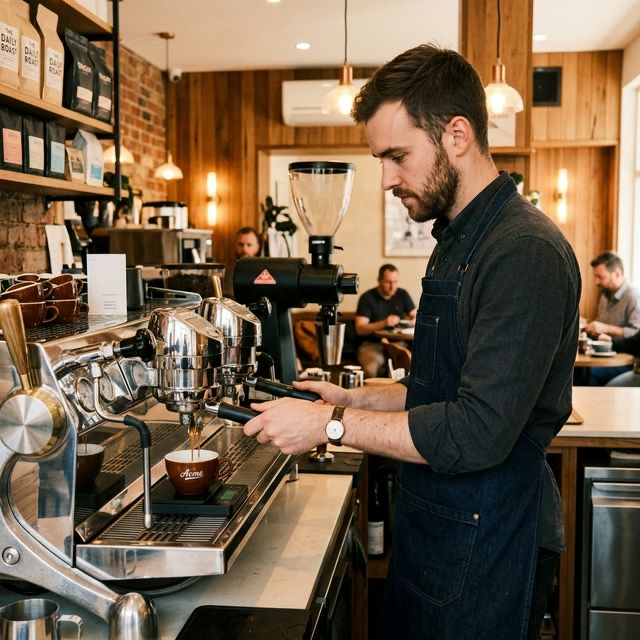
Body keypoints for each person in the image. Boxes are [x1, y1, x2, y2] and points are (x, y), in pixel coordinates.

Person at [242, 44, 580, 640]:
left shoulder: (522, 252)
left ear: (456, 135)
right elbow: (438, 389)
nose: (386, 179)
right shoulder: (459, 237)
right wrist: (349, 400)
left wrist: (329, 428)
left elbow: (476, 429)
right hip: (441, 527)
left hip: (491, 538)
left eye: (398, 156)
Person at [582, 251, 640, 385]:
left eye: (600, 277)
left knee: (589, 373)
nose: (596, 282)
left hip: (625, 358)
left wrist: (607, 329)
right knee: (579, 371)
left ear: (617, 274)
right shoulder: (604, 295)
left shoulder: (633, 297)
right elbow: (601, 326)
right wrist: (588, 324)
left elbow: (636, 334)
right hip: (605, 353)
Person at [354, 263, 416, 378]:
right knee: (370, 368)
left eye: (395, 282)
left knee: (415, 364)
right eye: (388, 282)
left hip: (399, 344)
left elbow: (414, 314)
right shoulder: (367, 298)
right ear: (379, 280)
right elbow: (360, 329)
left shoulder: (402, 294)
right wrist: (384, 323)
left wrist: (414, 319)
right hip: (372, 344)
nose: (392, 286)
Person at [222, 226, 261, 297]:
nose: (244, 250)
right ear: (235, 245)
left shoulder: (264, 271)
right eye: (241, 244)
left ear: (257, 247)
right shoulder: (227, 270)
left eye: (249, 245)